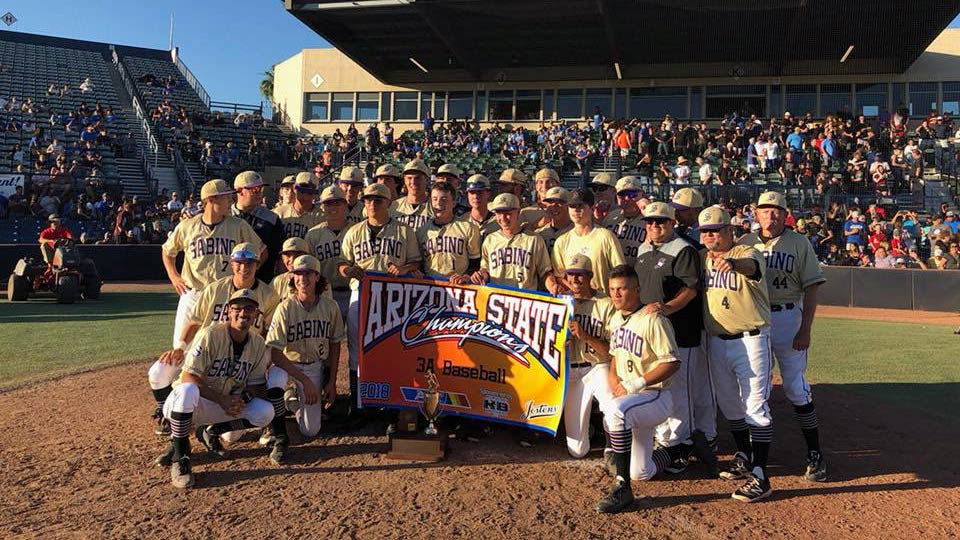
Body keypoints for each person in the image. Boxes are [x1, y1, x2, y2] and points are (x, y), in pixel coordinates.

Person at [149, 242, 279, 435]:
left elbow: (270, 333)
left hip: (244, 356)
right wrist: (181, 347)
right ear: (232, 264)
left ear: (257, 264)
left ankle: (211, 430)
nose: (244, 267)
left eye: (250, 263)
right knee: (159, 370)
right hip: (206, 352)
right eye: (239, 262)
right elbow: (194, 322)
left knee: (232, 436)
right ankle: (170, 417)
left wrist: (261, 361)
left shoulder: (269, 295)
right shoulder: (214, 289)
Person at [156, 289, 275, 489]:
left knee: (265, 411)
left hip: (223, 404)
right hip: (189, 404)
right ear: (228, 311)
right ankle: (180, 456)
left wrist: (241, 400)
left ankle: (210, 430)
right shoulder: (210, 335)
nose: (243, 313)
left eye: (249, 308)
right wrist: (222, 399)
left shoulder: (257, 343)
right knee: (188, 391)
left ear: (256, 314)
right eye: (237, 308)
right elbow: (188, 376)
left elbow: (256, 385)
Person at [699, 206, 774, 502]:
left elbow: (752, 267)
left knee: (755, 406)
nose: (709, 236)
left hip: (751, 339)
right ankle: (744, 454)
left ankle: (761, 476)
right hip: (718, 340)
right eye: (705, 232)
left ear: (730, 231)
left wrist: (733, 264)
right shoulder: (703, 258)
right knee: (730, 405)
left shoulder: (747, 249)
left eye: (715, 230)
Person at [595, 264, 681, 513]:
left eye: (622, 289)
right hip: (633, 400)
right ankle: (680, 449)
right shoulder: (615, 317)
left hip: (655, 396)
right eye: (612, 289)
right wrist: (613, 380)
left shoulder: (653, 318)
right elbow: (614, 357)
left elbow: (672, 363)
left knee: (615, 411)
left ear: (637, 289)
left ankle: (622, 488)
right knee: (641, 471)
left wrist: (636, 383)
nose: (616, 295)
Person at [635, 201, 712, 473]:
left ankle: (681, 444)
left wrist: (667, 308)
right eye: (650, 222)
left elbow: (691, 290)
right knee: (659, 385)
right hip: (652, 333)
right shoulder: (644, 249)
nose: (655, 226)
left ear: (671, 223)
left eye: (661, 222)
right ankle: (666, 439)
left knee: (681, 390)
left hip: (681, 329)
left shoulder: (683, 249)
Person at [339, 183, 422, 407]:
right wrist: (348, 270)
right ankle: (359, 402)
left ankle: (392, 402)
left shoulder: (404, 231)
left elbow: (416, 261)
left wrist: (405, 268)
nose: (372, 204)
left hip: (393, 295)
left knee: (392, 346)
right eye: (368, 200)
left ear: (388, 203)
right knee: (356, 347)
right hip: (361, 293)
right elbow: (343, 264)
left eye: (378, 200)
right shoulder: (353, 232)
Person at [161, 179, 265, 352]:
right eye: (225, 197)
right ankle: (176, 379)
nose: (231, 201)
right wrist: (174, 276)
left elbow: (261, 252)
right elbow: (167, 251)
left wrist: (246, 276)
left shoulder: (238, 225)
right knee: (181, 347)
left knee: (221, 347)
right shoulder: (187, 226)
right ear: (211, 200)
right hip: (193, 292)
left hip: (224, 294)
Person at [263, 255, 346, 463]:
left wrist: (331, 381)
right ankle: (274, 420)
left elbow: (335, 344)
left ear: (317, 277)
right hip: (287, 365)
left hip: (314, 366)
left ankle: (292, 403)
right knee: (275, 379)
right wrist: (304, 381)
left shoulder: (330, 306)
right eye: (298, 274)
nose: (302, 279)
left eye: (307, 273)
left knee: (311, 430)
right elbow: (274, 352)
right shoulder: (285, 308)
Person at [562, 254, 617, 460]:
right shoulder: (561, 303)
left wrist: (585, 336)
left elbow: (611, 351)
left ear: (590, 276)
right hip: (572, 371)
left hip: (598, 366)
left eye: (580, 276)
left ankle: (612, 445)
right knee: (577, 450)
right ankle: (592, 428)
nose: (575, 280)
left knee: (611, 403)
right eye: (571, 275)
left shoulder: (605, 303)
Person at [471, 193, 561, 294]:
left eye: (508, 213)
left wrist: (553, 286)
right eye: (499, 213)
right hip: (497, 298)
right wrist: (480, 275)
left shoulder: (533, 239)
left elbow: (545, 272)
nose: (503, 218)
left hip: (524, 300)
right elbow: (486, 270)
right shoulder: (490, 240)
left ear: (518, 212)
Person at [552, 189, 626, 295]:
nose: (576, 210)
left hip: (602, 302)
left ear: (592, 208)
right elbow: (559, 276)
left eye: (580, 206)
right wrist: (575, 290)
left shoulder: (605, 236)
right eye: (572, 206)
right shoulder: (561, 241)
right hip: (575, 304)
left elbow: (620, 273)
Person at [416, 181, 481, 282]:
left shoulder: (468, 228)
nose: (438, 203)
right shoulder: (422, 231)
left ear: (454, 203)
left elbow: (476, 262)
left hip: (459, 287)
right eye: (435, 199)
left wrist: (467, 277)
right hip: (430, 285)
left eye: (444, 199)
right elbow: (418, 263)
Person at [232, 171, 284, 282]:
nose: (260, 193)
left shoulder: (271, 219)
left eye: (261, 189)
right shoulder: (225, 216)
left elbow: (279, 255)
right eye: (255, 190)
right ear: (240, 191)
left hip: (262, 281)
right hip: (229, 280)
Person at [273, 172, 324, 239]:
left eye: (310, 193)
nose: (306, 197)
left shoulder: (322, 218)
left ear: (315, 194)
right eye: (302, 191)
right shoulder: (279, 213)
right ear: (294, 189)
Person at [610, 176, 647, 266]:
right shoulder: (610, 217)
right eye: (622, 194)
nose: (627, 198)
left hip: (638, 274)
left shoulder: (650, 219)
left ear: (642, 195)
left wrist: (648, 210)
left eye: (632, 194)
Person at [391, 159, 434, 230]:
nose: (413, 182)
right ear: (404, 180)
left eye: (418, 178)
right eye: (409, 178)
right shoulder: (394, 206)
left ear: (427, 180)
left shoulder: (435, 206)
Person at [459, 174, 499, 240]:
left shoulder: (498, 222)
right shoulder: (461, 222)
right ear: (467, 195)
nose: (476, 196)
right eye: (472, 192)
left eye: (480, 192)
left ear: (488, 193)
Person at [535, 187, 573, 254]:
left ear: (569, 205)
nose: (554, 205)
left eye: (560, 202)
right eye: (550, 202)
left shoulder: (577, 233)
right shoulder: (539, 234)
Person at [271, 237, 310, 301]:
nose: (292, 260)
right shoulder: (277, 281)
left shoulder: (317, 281)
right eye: (288, 255)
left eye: (297, 255)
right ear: (283, 259)